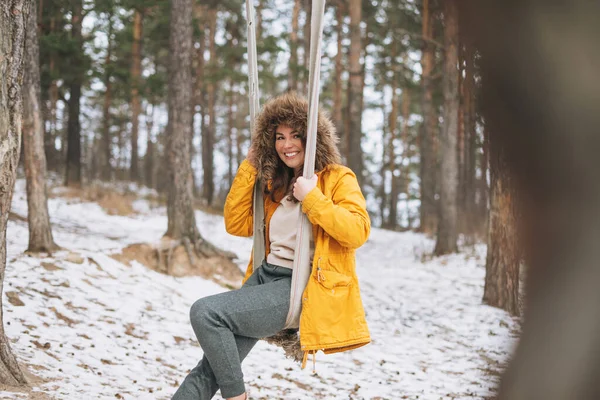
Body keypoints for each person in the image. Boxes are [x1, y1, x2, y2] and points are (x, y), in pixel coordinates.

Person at [172, 92, 371, 400]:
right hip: (264, 280)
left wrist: (313, 198)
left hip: (297, 288)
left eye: (295, 135)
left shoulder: (337, 179)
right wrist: (251, 165)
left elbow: (357, 231)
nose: (286, 144)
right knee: (211, 369)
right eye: (279, 137)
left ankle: (237, 397)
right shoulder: (274, 186)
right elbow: (236, 223)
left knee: (206, 312)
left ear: (312, 138)